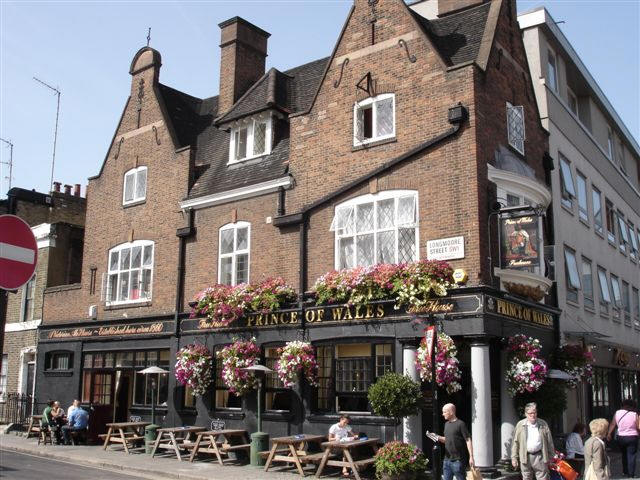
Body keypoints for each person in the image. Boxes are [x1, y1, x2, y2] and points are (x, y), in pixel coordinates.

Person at [511, 402, 555, 480]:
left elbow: (549, 442)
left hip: (540, 456)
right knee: (526, 478)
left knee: (543, 478)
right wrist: (514, 458)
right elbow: (515, 443)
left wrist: (551, 457)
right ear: (526, 414)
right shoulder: (520, 425)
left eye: (534, 412)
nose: (533, 415)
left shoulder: (543, 424)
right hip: (525, 457)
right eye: (530, 413)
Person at [432, 403, 474, 480]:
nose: (442, 414)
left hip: (458, 460)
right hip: (446, 460)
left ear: (451, 412)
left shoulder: (460, 424)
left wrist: (471, 457)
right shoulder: (446, 424)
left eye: (444, 412)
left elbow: (468, 440)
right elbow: (447, 440)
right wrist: (436, 437)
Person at [606, 399, 640, 478]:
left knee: (624, 454)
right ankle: (631, 474)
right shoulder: (635, 414)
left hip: (620, 437)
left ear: (623, 405)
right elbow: (638, 427)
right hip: (632, 437)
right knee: (631, 455)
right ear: (632, 406)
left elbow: (613, 424)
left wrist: (609, 433)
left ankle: (625, 471)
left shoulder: (617, 413)